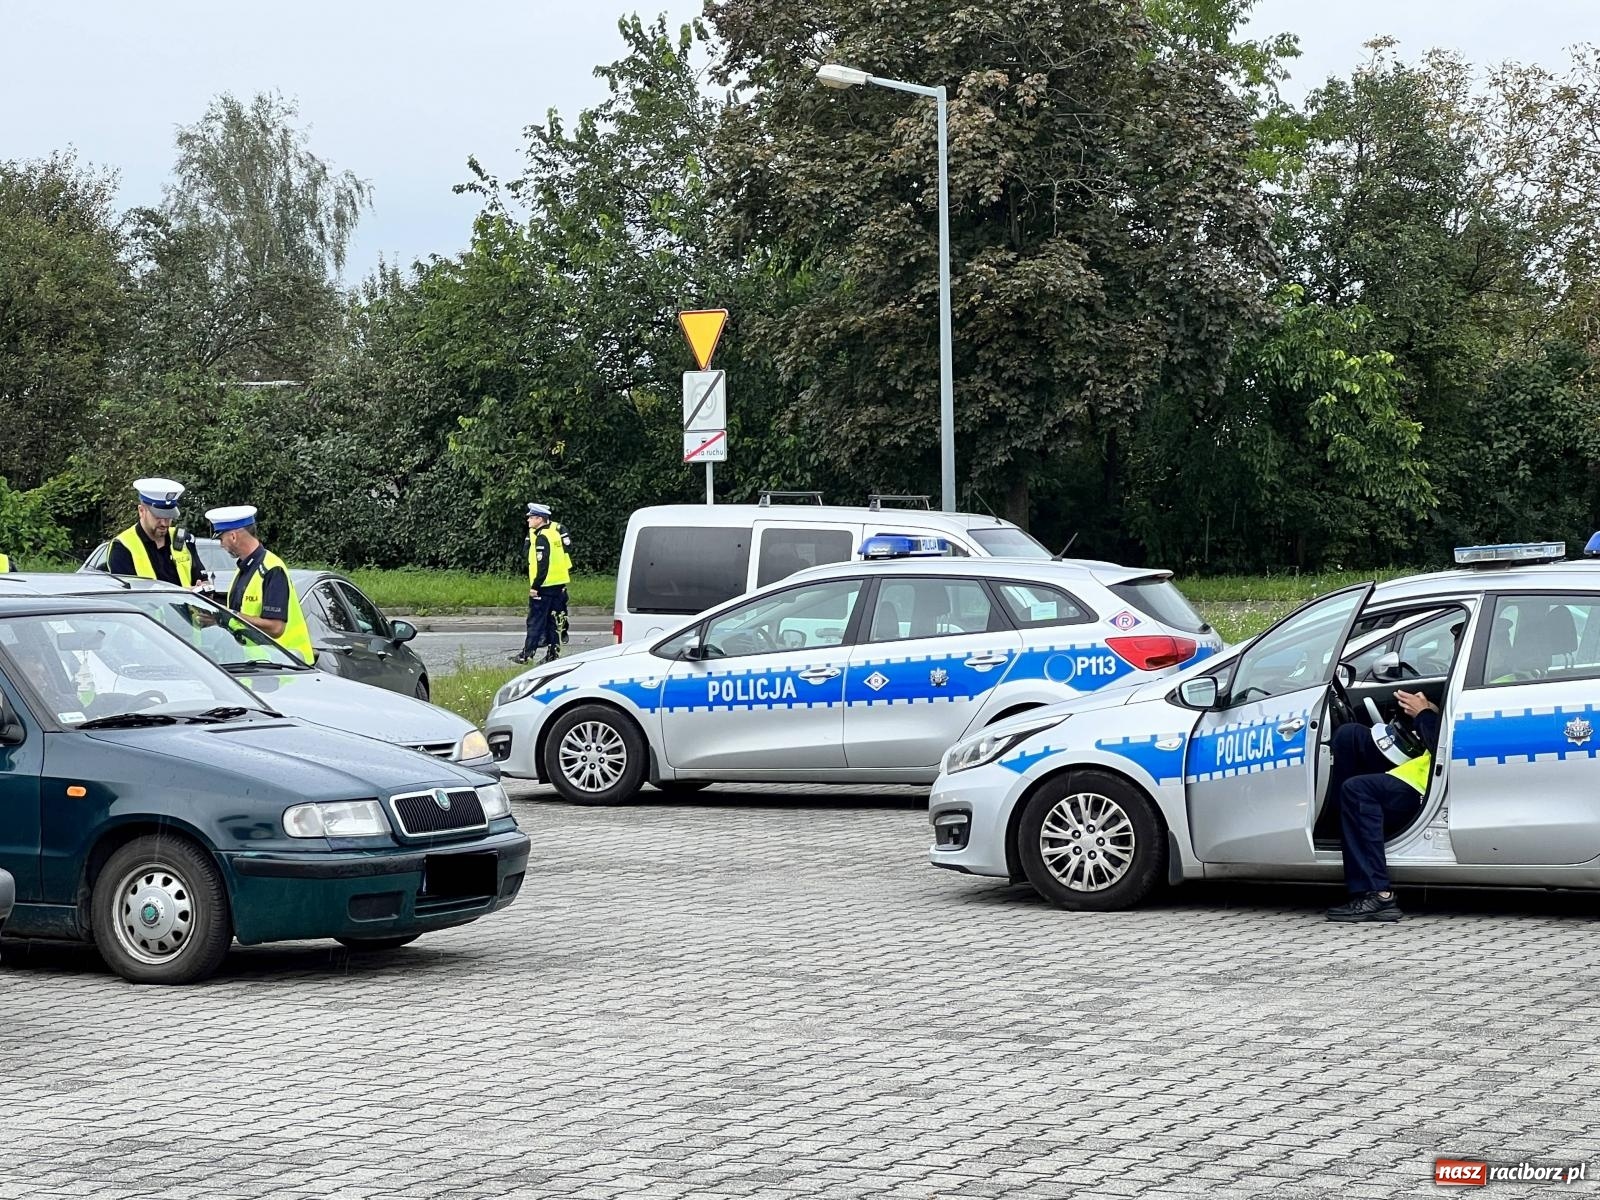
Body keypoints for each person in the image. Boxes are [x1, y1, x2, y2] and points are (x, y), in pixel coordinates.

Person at [1324, 689, 1441, 923]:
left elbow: (1442, 747)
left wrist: (1424, 713)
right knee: (1351, 734)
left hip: (1424, 785)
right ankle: (1337, 828)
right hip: (1416, 771)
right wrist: (1432, 710)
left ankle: (1378, 894)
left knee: (1357, 790)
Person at [204, 505, 315, 665]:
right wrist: (218, 617)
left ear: (233, 536)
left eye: (221, 539)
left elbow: (276, 628)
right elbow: (239, 618)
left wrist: (230, 615)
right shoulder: (244, 568)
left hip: (284, 668)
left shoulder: (271, 569)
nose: (221, 545)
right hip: (259, 666)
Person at [105, 478, 209, 589]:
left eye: (169, 517)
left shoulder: (182, 538)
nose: (164, 523)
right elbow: (127, 597)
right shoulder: (123, 546)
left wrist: (204, 588)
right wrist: (182, 593)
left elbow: (203, 581)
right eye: (158, 516)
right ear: (141, 511)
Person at [511, 502, 573, 665]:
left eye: (531, 518)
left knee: (535, 621)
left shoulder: (542, 537)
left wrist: (535, 587)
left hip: (544, 587)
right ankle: (553, 655)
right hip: (558, 585)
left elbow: (543, 565)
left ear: (540, 518)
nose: (528, 521)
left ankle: (527, 655)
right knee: (554, 622)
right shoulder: (553, 534)